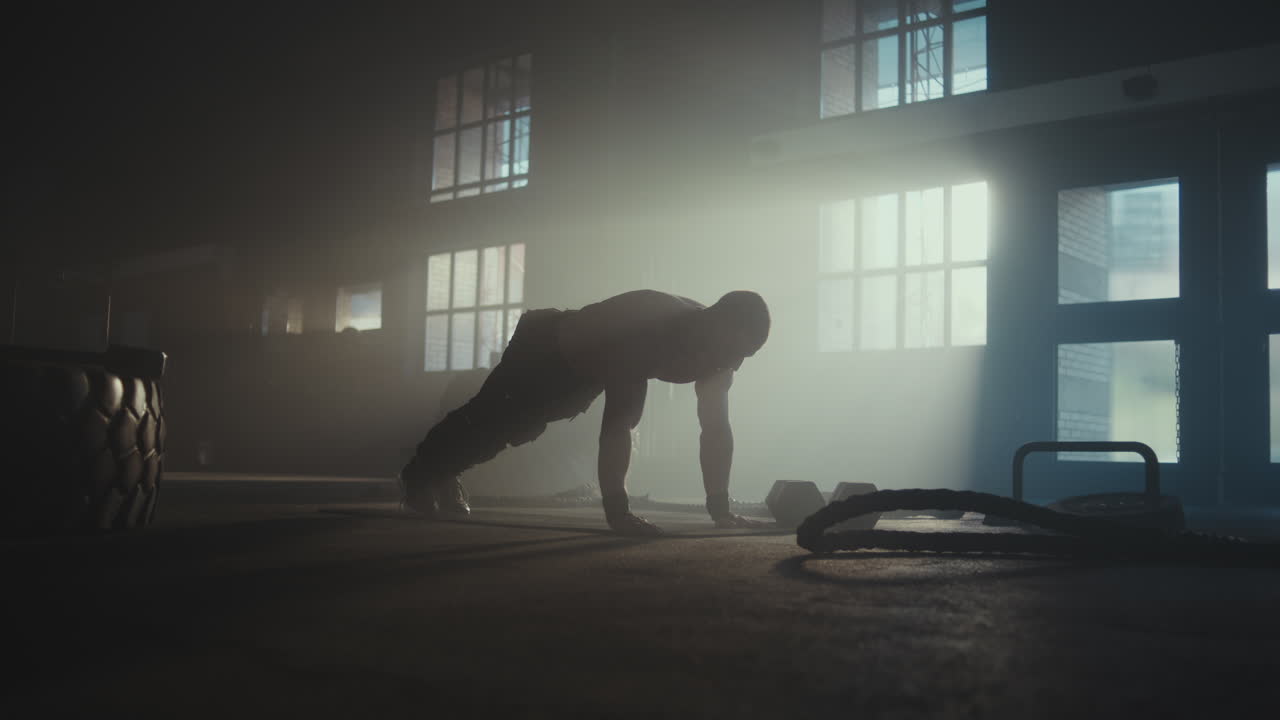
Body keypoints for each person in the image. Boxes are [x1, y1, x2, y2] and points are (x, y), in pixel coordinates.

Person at [398, 289, 770, 536]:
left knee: (520, 430)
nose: (735, 362)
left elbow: (716, 429)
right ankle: (420, 476)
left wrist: (719, 508)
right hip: (545, 346)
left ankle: (446, 472)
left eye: (746, 355)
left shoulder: (723, 358)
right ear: (716, 325)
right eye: (734, 349)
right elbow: (620, 423)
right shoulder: (653, 329)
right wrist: (618, 512)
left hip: (587, 372)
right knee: (494, 421)